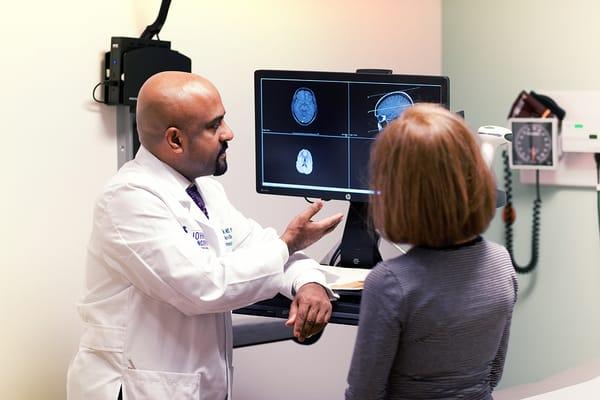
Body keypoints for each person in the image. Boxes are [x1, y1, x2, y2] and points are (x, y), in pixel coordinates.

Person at [66, 71, 343, 400]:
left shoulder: (206, 191)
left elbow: (261, 246)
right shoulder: (127, 199)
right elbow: (203, 287)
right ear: (175, 140)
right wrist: (288, 245)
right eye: (214, 126)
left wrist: (308, 281)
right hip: (138, 390)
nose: (229, 133)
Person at [345, 104, 517, 400]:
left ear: (397, 194)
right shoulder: (502, 264)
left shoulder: (390, 284)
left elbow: (363, 394)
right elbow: (493, 374)